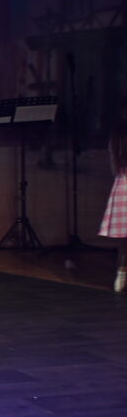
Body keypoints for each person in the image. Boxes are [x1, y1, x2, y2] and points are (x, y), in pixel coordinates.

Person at [99, 115, 127, 292]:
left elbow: (113, 168)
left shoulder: (116, 139)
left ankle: (120, 278)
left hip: (122, 186)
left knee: (124, 241)